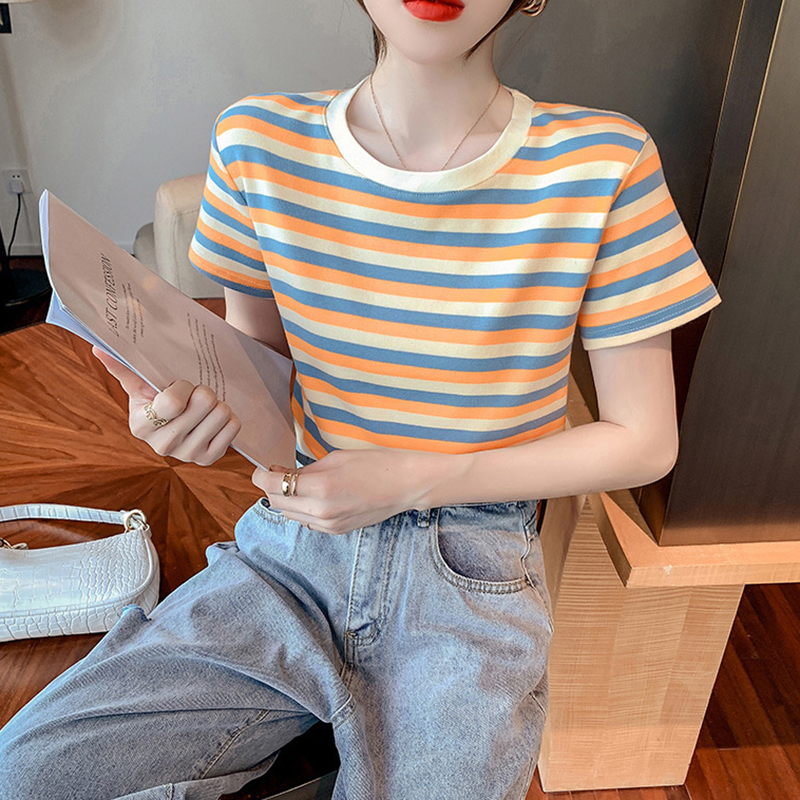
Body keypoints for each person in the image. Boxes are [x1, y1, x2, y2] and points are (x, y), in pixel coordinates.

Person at [0, 0, 722, 798]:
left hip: (472, 573)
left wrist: (414, 478)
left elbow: (644, 439)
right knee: (26, 774)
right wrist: (185, 418)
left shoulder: (603, 163)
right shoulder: (257, 144)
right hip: (290, 554)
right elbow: (262, 376)